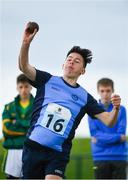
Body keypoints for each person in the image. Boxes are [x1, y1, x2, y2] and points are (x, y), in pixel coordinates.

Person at [18, 23, 121, 179]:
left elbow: (109, 121)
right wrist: (26, 43)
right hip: (33, 147)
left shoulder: (84, 97)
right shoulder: (47, 80)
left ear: (83, 71)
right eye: (69, 59)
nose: (71, 62)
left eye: (77, 61)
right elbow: (24, 67)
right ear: (63, 64)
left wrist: (116, 108)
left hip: (57, 153)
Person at [88, 78, 127, 179]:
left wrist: (100, 139)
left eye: (108, 91)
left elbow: (121, 132)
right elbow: (95, 135)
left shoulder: (121, 109)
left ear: (112, 91)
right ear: (98, 91)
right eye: (102, 91)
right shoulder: (92, 110)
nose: (105, 94)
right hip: (100, 157)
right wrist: (118, 138)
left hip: (119, 157)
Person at [2, 74, 34, 179]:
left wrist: (17, 123)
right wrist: (27, 128)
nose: (24, 90)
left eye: (26, 86)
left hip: (32, 152)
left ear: (31, 87)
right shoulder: (8, 107)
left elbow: (38, 129)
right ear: (17, 87)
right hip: (13, 153)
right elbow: (6, 129)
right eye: (21, 87)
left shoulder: (38, 106)